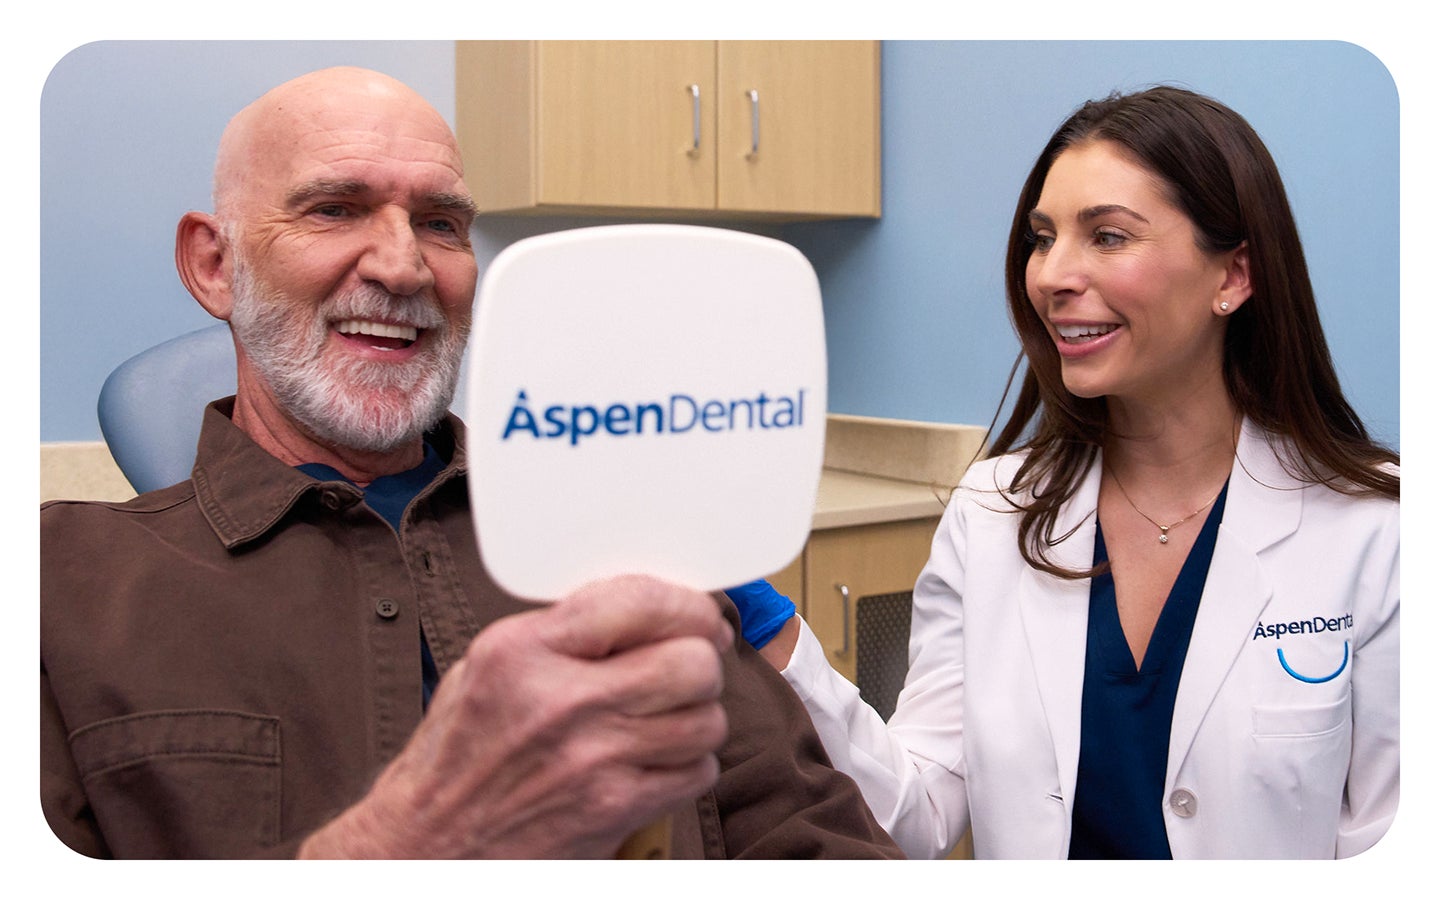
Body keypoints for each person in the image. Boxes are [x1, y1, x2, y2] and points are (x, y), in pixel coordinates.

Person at [39, 66, 902, 860]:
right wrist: (411, 838)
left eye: (440, 224)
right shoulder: (54, 590)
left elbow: (818, 841)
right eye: (335, 208)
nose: (404, 265)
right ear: (214, 264)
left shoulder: (620, 543)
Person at [731, 85, 1399, 859]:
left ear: (1234, 276)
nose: (1052, 275)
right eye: (1042, 239)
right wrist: (776, 634)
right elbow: (912, 816)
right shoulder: (992, 514)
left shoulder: (1374, 532)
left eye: (1107, 237)